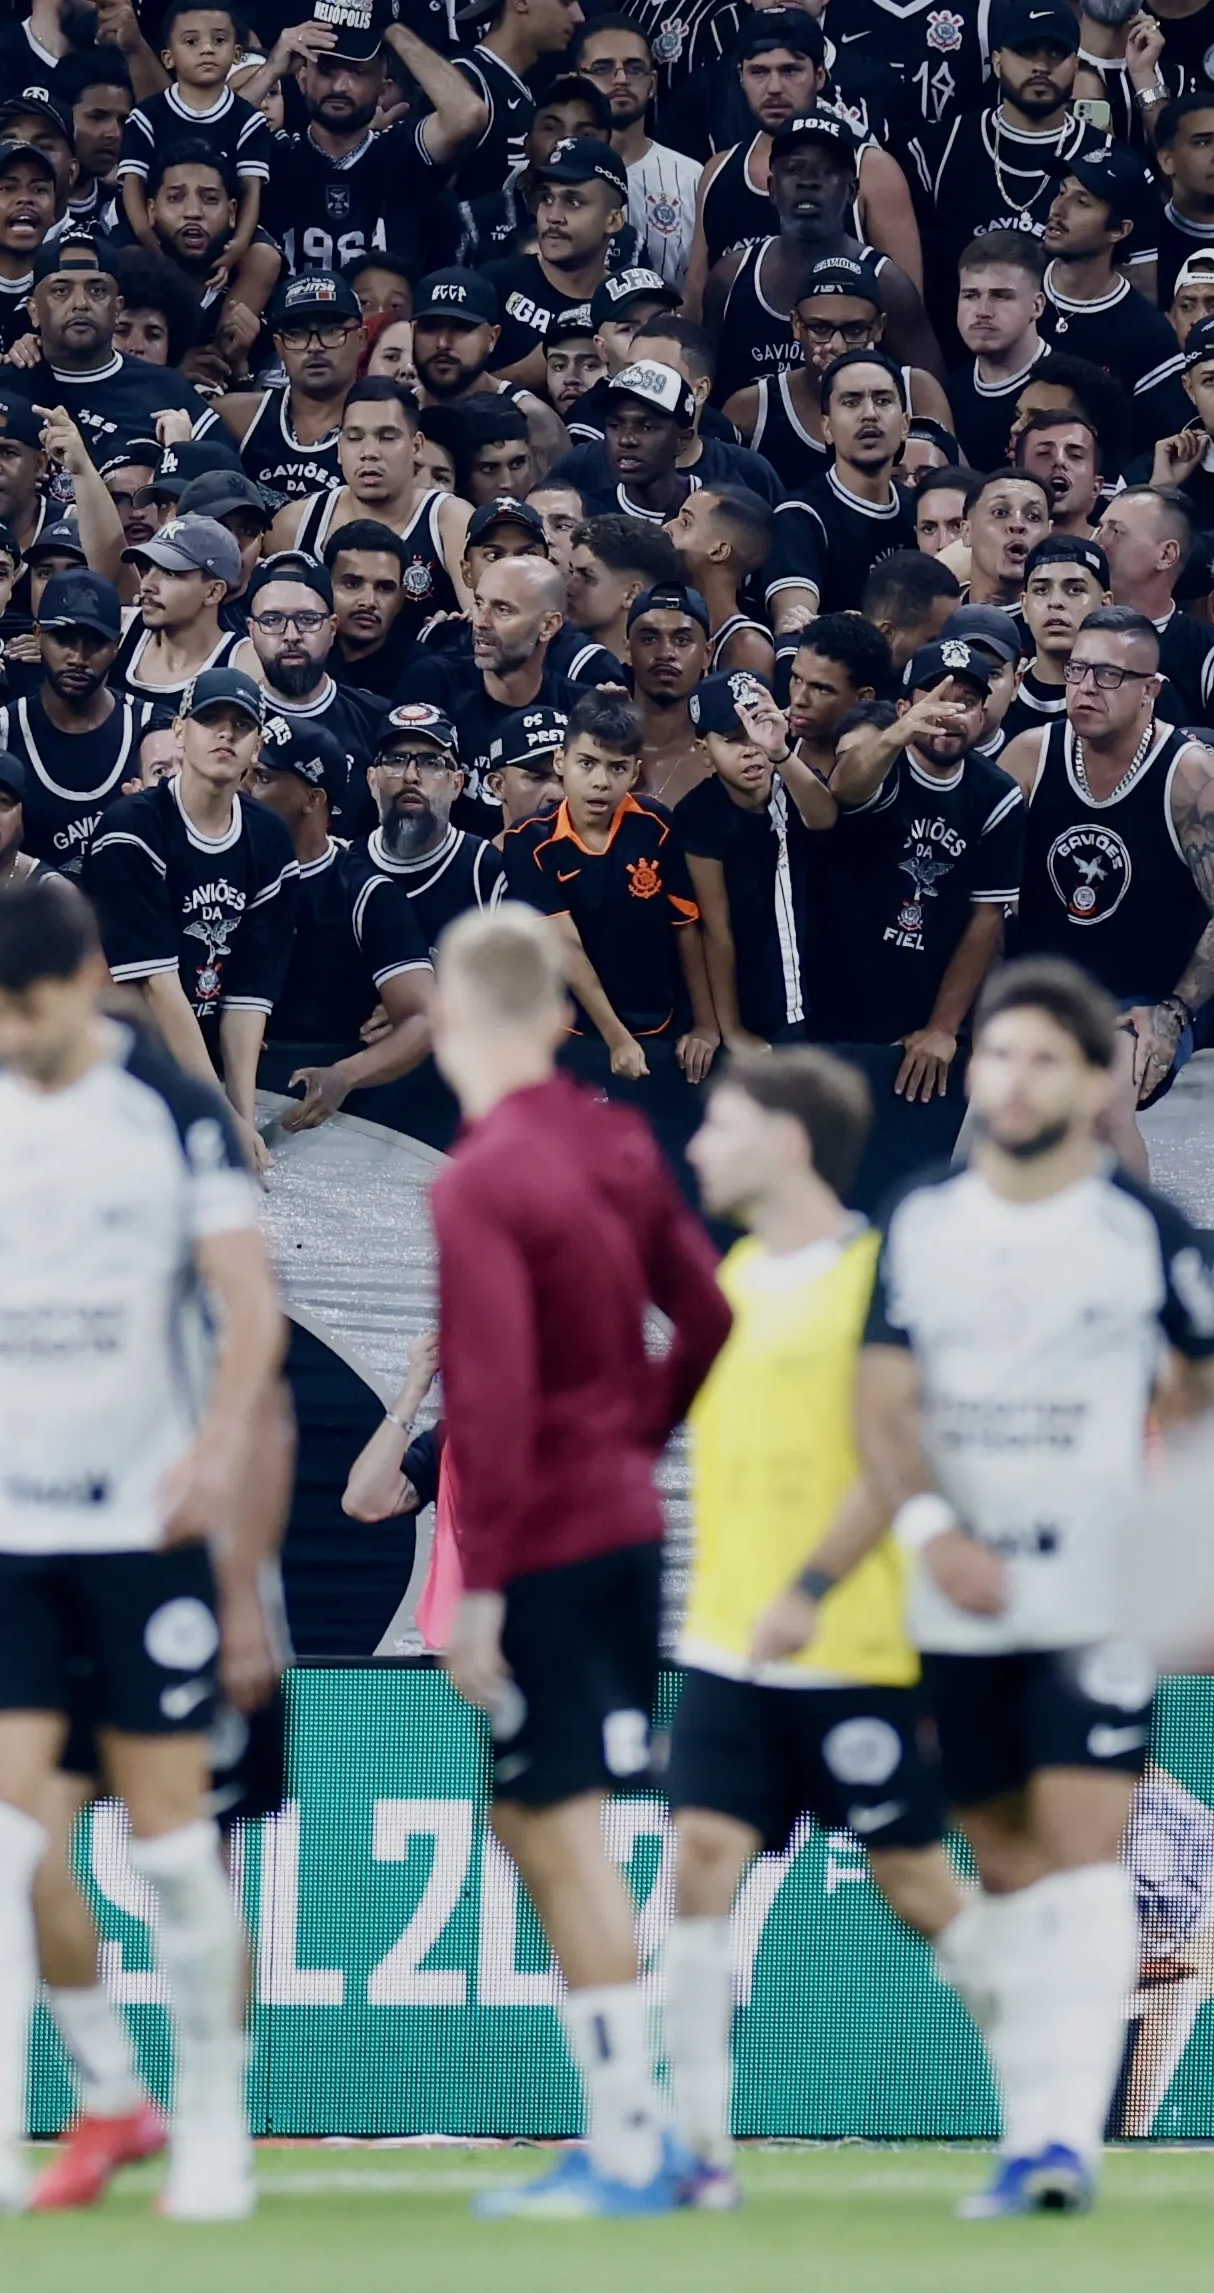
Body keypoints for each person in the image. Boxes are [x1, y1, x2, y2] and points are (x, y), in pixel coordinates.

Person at [0, 874, 282, 2225]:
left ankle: (214, 2131)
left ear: (87, 979)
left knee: (173, 1850)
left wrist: (215, 1457)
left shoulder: (169, 1113)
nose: (9, 1033)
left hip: (140, 1521)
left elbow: (248, 1310)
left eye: (30, 1006)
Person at [854, 954, 1214, 2215]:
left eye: (1041, 1059)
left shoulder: (1143, 1235)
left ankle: (1063, 2142)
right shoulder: (920, 1220)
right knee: (1003, 1871)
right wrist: (926, 1529)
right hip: (955, 1597)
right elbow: (882, 1405)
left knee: (1084, 1864)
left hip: (1089, 1600)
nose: (1011, 1080)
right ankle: (1030, 2128)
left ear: (1093, 1083)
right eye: (995, 1055)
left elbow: (1206, 1392)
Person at [420, 898, 733, 2217]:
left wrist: (475, 1577)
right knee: (538, 1818)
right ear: (554, 1008)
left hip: (542, 1536)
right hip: (623, 1519)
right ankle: (634, 2132)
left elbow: (487, 1396)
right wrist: (633, 1431)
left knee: (551, 1827)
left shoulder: (476, 1174)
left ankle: (629, 2139)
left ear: (447, 1014)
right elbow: (710, 1308)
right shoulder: (612, 1140)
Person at [659, 1047, 965, 2207]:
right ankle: (696, 2155)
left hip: (850, 1642)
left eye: (719, 1125)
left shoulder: (873, 1278)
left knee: (918, 1888)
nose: (695, 1146)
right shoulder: (725, 1282)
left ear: (786, 1141)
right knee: (697, 1864)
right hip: (724, 1643)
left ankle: (1048, 2090)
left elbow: (896, 1455)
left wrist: (812, 1586)